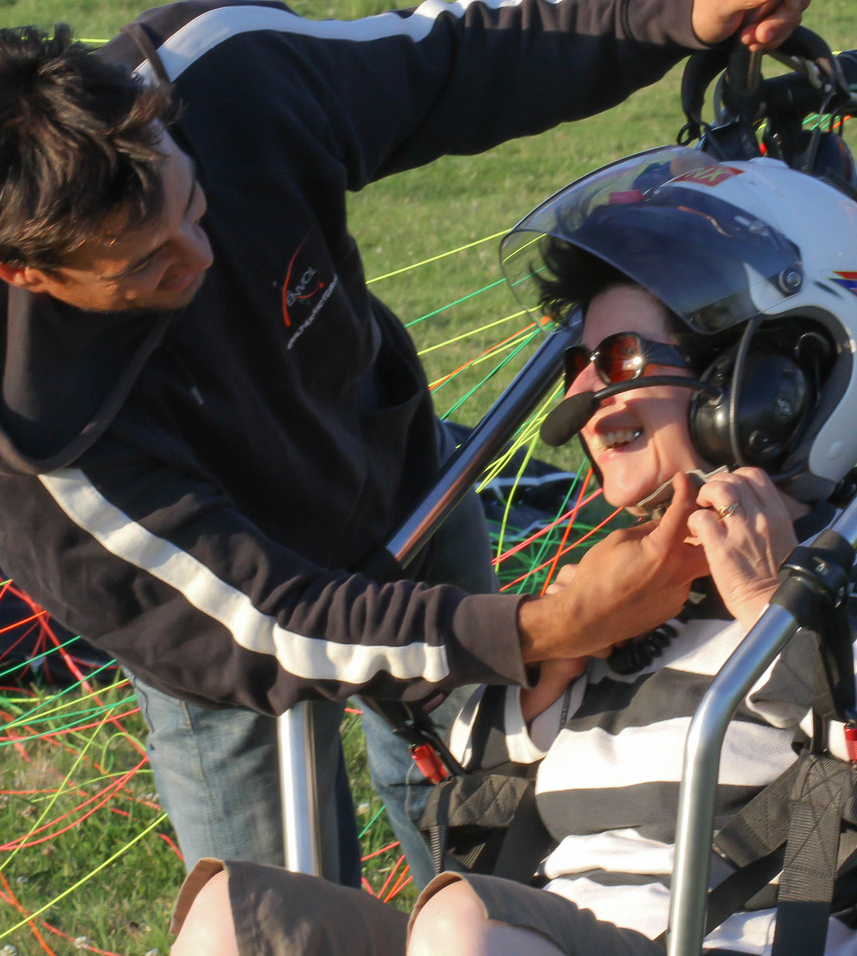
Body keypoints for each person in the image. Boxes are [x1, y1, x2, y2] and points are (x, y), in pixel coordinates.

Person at [0, 0, 809, 885]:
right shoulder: (29, 438)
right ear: (25, 271)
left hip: (399, 483)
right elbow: (279, 621)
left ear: (156, 113)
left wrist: (672, 17)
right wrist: (542, 628)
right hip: (234, 627)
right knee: (278, 911)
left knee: (484, 806)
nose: (197, 258)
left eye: (196, 208)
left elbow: (447, 64)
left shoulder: (225, 73)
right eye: (144, 269)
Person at [171, 138, 857, 954]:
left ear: (768, 377)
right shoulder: (619, 586)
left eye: (618, 358)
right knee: (233, 919)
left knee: (464, 923)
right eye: (577, 363)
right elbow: (479, 810)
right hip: (532, 930)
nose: (581, 397)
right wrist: (560, 647)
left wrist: (769, 611)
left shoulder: (835, 568)